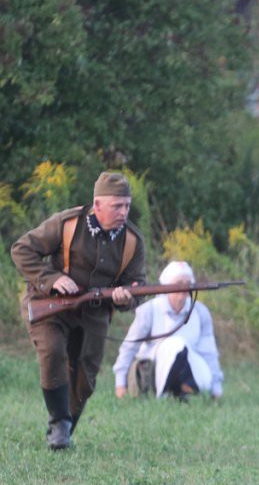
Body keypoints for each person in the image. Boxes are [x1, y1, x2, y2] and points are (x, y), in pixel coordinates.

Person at [11, 172, 146, 450]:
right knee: (52, 351)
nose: (123, 212)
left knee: (86, 379)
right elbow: (22, 249)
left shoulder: (133, 240)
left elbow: (137, 286)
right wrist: (51, 279)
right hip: (50, 305)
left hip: (94, 314)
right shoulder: (68, 223)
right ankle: (59, 424)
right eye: (117, 206)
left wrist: (125, 298)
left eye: (127, 206)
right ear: (97, 205)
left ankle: (66, 427)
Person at [112, 260, 224, 400]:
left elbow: (209, 353)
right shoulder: (149, 310)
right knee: (175, 344)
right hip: (153, 372)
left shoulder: (200, 312)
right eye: (178, 282)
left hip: (190, 365)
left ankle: (187, 389)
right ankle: (169, 393)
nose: (183, 287)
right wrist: (120, 384)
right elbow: (130, 347)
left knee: (184, 349)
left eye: (187, 282)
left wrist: (216, 388)